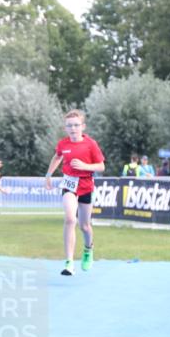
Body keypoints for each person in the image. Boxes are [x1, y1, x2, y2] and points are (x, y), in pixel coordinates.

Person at [44, 110, 105, 275]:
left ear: (83, 126)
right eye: (69, 125)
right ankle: (69, 262)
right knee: (70, 219)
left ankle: (88, 249)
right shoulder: (63, 144)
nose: (73, 128)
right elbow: (57, 157)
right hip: (69, 183)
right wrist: (48, 175)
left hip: (86, 185)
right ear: (65, 128)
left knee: (84, 226)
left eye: (76, 125)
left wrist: (85, 166)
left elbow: (101, 166)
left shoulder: (91, 144)